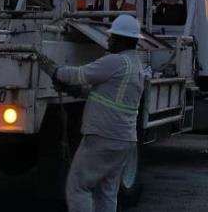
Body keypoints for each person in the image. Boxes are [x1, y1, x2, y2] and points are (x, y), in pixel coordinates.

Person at [46, 13, 147, 212]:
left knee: (78, 186)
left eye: (112, 37)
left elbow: (79, 75)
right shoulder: (135, 66)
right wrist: (81, 92)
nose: (108, 40)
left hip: (103, 136)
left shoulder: (115, 61)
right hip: (123, 139)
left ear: (122, 39)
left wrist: (54, 70)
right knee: (106, 191)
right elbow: (109, 95)